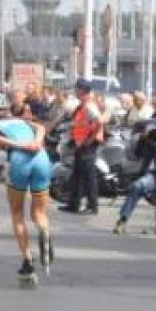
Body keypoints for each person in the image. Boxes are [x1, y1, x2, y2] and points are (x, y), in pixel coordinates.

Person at [0, 93, 54, 280]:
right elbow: (40, 127)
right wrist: (36, 142)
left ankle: (27, 261)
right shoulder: (22, 121)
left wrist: (20, 145)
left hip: (19, 158)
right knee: (39, 212)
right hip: (41, 157)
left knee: (17, 213)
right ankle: (44, 231)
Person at [60, 80, 105, 215]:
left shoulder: (89, 106)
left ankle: (92, 206)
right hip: (81, 144)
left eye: (77, 89)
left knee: (88, 176)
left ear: (82, 90)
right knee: (77, 175)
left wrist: (90, 139)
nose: (75, 91)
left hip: (87, 144)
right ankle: (73, 204)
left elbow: (100, 121)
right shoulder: (83, 105)